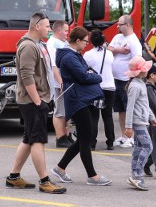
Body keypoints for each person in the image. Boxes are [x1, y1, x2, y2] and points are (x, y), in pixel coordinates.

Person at [5, 12, 66, 194]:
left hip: (36, 99)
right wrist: (39, 102)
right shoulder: (29, 47)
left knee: (29, 138)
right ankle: (44, 181)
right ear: (37, 26)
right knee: (38, 140)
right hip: (32, 101)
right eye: (47, 26)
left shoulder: (38, 45)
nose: (49, 29)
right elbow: (26, 76)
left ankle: (14, 177)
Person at [51, 27, 112, 186]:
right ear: (77, 41)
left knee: (84, 138)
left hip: (80, 99)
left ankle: (60, 168)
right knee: (85, 139)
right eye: (85, 41)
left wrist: (90, 74)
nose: (87, 44)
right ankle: (92, 176)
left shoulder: (73, 55)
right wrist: (98, 77)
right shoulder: (70, 57)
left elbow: (85, 73)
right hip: (77, 100)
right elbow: (84, 76)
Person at [124, 56, 156, 191]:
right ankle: (137, 175)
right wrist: (128, 126)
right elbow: (130, 107)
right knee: (148, 146)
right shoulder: (135, 86)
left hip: (141, 120)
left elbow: (145, 104)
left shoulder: (140, 84)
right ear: (140, 71)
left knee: (139, 148)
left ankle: (135, 174)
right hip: (138, 122)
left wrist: (151, 117)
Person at [108, 15, 142, 147]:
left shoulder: (134, 41)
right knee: (120, 109)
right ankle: (123, 135)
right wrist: (119, 50)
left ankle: (131, 136)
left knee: (129, 109)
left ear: (128, 25)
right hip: (115, 79)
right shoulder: (117, 37)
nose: (117, 26)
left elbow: (137, 60)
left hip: (126, 80)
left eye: (120, 24)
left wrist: (132, 80)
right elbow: (109, 49)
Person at [83, 29, 116, 150]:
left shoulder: (88, 55)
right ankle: (110, 142)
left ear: (91, 41)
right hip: (110, 87)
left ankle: (92, 143)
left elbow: (85, 70)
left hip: (95, 87)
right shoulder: (109, 54)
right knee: (108, 116)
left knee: (94, 117)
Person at [46, 20, 74, 148]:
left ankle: (66, 135)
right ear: (58, 30)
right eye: (66, 31)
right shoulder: (52, 44)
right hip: (59, 81)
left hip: (65, 80)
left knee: (66, 110)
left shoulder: (62, 42)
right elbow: (54, 66)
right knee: (59, 111)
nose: (67, 33)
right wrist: (61, 82)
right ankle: (60, 137)